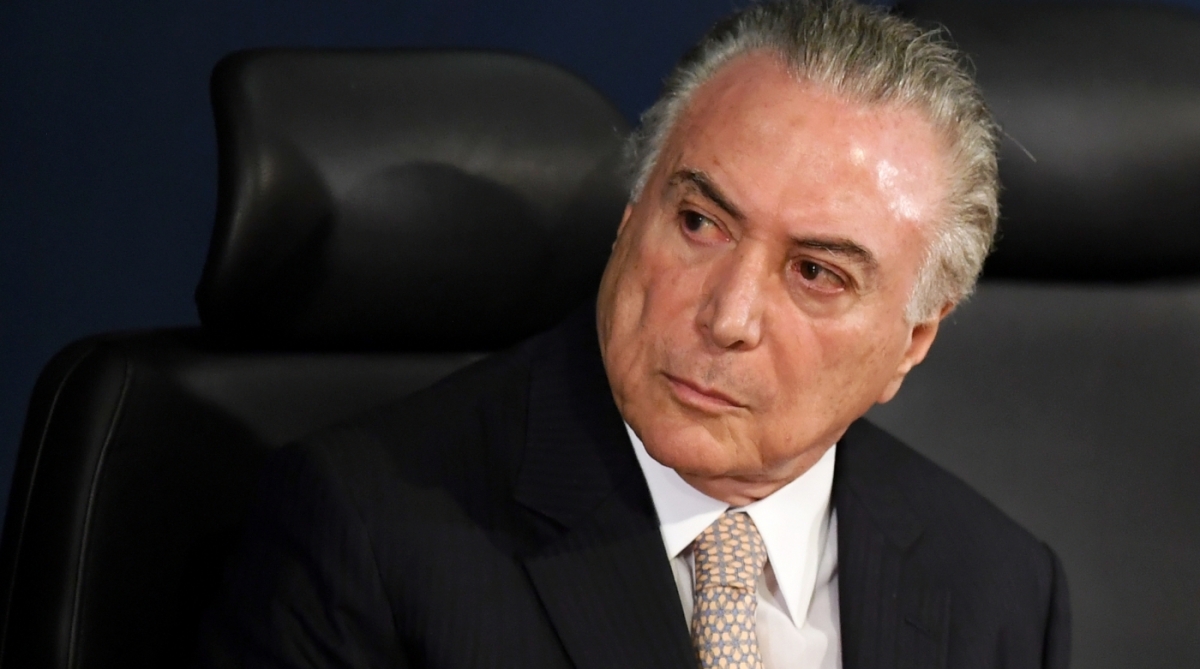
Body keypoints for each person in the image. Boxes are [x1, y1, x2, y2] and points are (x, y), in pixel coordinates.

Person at [198, 1, 1070, 667]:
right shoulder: (369, 534)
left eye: (815, 273)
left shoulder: (998, 590)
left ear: (913, 341)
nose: (725, 316)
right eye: (699, 222)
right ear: (630, 218)